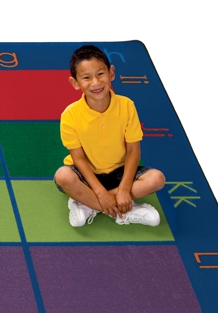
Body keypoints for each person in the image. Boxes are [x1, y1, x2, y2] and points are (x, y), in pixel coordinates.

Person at [54, 45, 166, 227]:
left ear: (111, 73)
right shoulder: (69, 115)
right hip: (87, 175)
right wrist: (100, 192)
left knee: (157, 179)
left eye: (100, 74)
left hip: (120, 172)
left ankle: (89, 205)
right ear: (75, 83)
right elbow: (78, 158)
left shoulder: (127, 106)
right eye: (86, 77)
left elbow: (133, 151)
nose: (96, 83)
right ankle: (123, 211)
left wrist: (124, 189)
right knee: (63, 176)